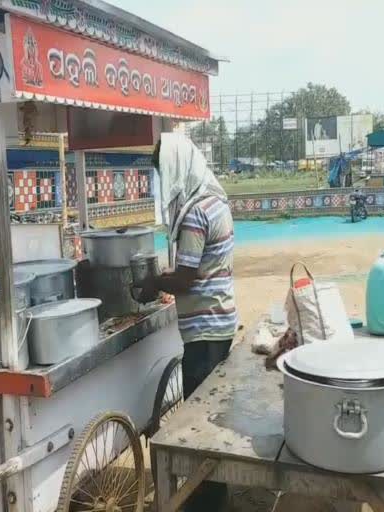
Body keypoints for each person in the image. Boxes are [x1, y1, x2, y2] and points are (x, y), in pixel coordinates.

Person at [148, 133, 236, 511]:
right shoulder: (216, 202)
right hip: (221, 320)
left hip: (205, 330)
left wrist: (151, 282)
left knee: (200, 424)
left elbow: (186, 279)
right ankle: (215, 494)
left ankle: (205, 502)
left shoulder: (197, 213)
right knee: (212, 418)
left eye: (163, 171)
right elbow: (196, 268)